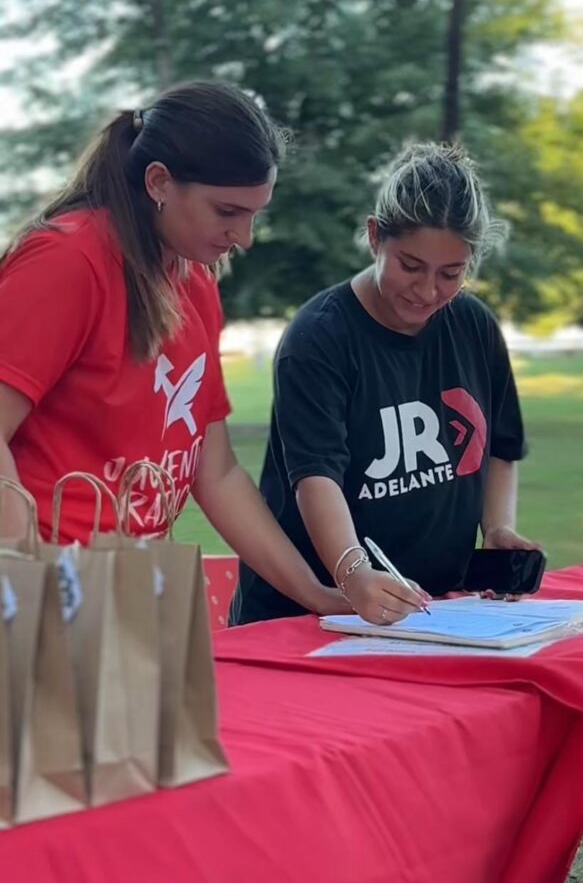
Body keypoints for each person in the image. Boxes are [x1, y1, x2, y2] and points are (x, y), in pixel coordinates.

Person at [0, 80, 346, 617]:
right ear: (159, 181)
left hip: (123, 596)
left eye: (255, 214)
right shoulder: (67, 260)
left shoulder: (195, 280)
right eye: (227, 212)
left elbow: (217, 472)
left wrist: (318, 597)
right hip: (44, 603)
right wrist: (30, 587)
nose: (244, 237)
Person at [232, 141, 539, 627]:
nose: (427, 291)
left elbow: (500, 445)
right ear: (375, 237)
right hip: (308, 615)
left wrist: (497, 528)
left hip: (432, 614)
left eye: (451, 274)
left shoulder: (474, 325)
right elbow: (316, 478)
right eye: (410, 266)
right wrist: (353, 573)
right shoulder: (319, 336)